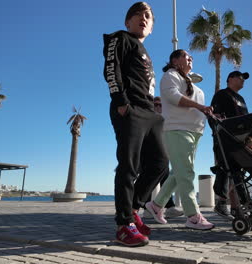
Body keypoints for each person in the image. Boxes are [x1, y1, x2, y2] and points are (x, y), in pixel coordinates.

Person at [103, 2, 169, 247]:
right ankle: (123, 225)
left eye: (148, 16)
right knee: (129, 166)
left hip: (149, 111)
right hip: (129, 108)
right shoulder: (120, 38)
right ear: (127, 22)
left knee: (160, 163)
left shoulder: (144, 50)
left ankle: (133, 209)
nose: (144, 18)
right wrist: (119, 99)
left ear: (151, 28)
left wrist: (156, 103)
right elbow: (111, 68)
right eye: (139, 14)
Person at [145, 49, 215, 230]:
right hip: (178, 130)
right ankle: (193, 216)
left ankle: (156, 205)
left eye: (191, 56)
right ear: (175, 61)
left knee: (179, 172)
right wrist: (200, 106)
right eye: (185, 56)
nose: (190, 58)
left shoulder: (192, 83)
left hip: (194, 132)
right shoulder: (170, 76)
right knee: (186, 173)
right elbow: (173, 97)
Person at [210, 71, 250, 220]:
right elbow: (214, 116)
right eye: (240, 77)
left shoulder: (242, 99)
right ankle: (221, 202)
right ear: (230, 79)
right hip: (225, 140)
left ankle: (236, 208)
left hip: (241, 140)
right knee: (226, 169)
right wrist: (218, 131)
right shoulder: (222, 95)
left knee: (238, 174)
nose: (243, 81)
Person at [142, 96, 184, 219]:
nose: (158, 107)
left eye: (161, 105)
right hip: (147, 154)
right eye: (156, 105)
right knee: (149, 179)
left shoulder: (165, 120)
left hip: (163, 155)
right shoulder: (147, 118)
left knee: (166, 178)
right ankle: (146, 209)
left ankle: (169, 207)